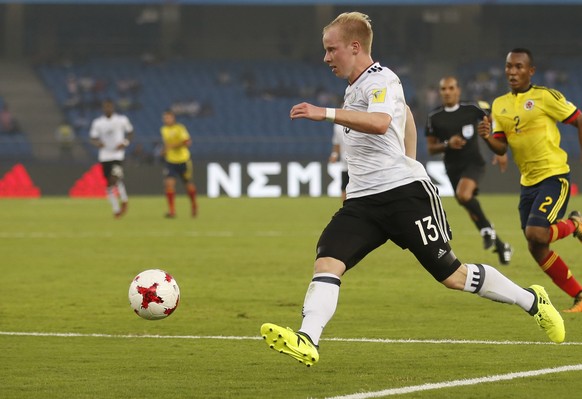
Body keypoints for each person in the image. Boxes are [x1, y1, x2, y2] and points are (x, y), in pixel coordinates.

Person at [260, 12, 564, 368]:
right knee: (327, 261)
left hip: (404, 197)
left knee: (452, 275)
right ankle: (307, 339)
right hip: (362, 202)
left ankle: (532, 301)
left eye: (331, 50)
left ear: (354, 47)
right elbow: (404, 115)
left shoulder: (382, 79)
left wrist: (325, 114)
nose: (326, 58)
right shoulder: (356, 87)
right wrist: (374, 174)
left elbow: (381, 122)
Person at [477, 48, 582, 312]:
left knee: (536, 232)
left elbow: (579, 119)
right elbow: (501, 148)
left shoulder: (546, 97)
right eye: (509, 67)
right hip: (528, 182)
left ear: (530, 71)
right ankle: (580, 294)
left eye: (519, 67)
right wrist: (487, 136)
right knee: (536, 245)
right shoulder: (499, 104)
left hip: (554, 175)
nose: (512, 72)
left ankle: (575, 223)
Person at [426, 76, 513, 265]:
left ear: (458, 90)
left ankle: (488, 231)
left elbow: (493, 120)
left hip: (473, 163)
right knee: (469, 206)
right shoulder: (434, 118)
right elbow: (431, 148)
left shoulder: (471, 110)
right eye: (443, 89)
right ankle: (500, 244)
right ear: (440, 92)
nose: (447, 92)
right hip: (452, 168)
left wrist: (499, 149)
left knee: (464, 196)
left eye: (451, 88)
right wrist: (448, 144)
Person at [89, 99, 133, 219]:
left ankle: (124, 201)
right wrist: (98, 143)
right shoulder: (98, 122)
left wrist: (125, 142)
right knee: (110, 184)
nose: (107, 109)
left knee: (114, 179)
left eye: (109, 106)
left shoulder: (121, 120)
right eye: (105, 107)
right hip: (104, 156)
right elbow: (93, 138)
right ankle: (116, 208)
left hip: (117, 155)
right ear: (103, 108)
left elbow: (130, 132)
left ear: (113, 107)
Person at [160, 109, 198, 218]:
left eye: (168, 117)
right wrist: (164, 150)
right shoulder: (163, 129)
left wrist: (172, 146)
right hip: (170, 161)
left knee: (188, 185)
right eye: (164, 118)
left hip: (183, 160)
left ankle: (194, 204)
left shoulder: (180, 128)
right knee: (169, 184)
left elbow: (187, 142)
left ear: (173, 118)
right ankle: (172, 211)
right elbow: (167, 144)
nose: (166, 120)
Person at [328, 123, 349, 201]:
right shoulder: (338, 126)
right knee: (344, 188)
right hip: (345, 163)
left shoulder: (358, 120)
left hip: (359, 162)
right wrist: (335, 154)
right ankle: (346, 208)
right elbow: (337, 142)